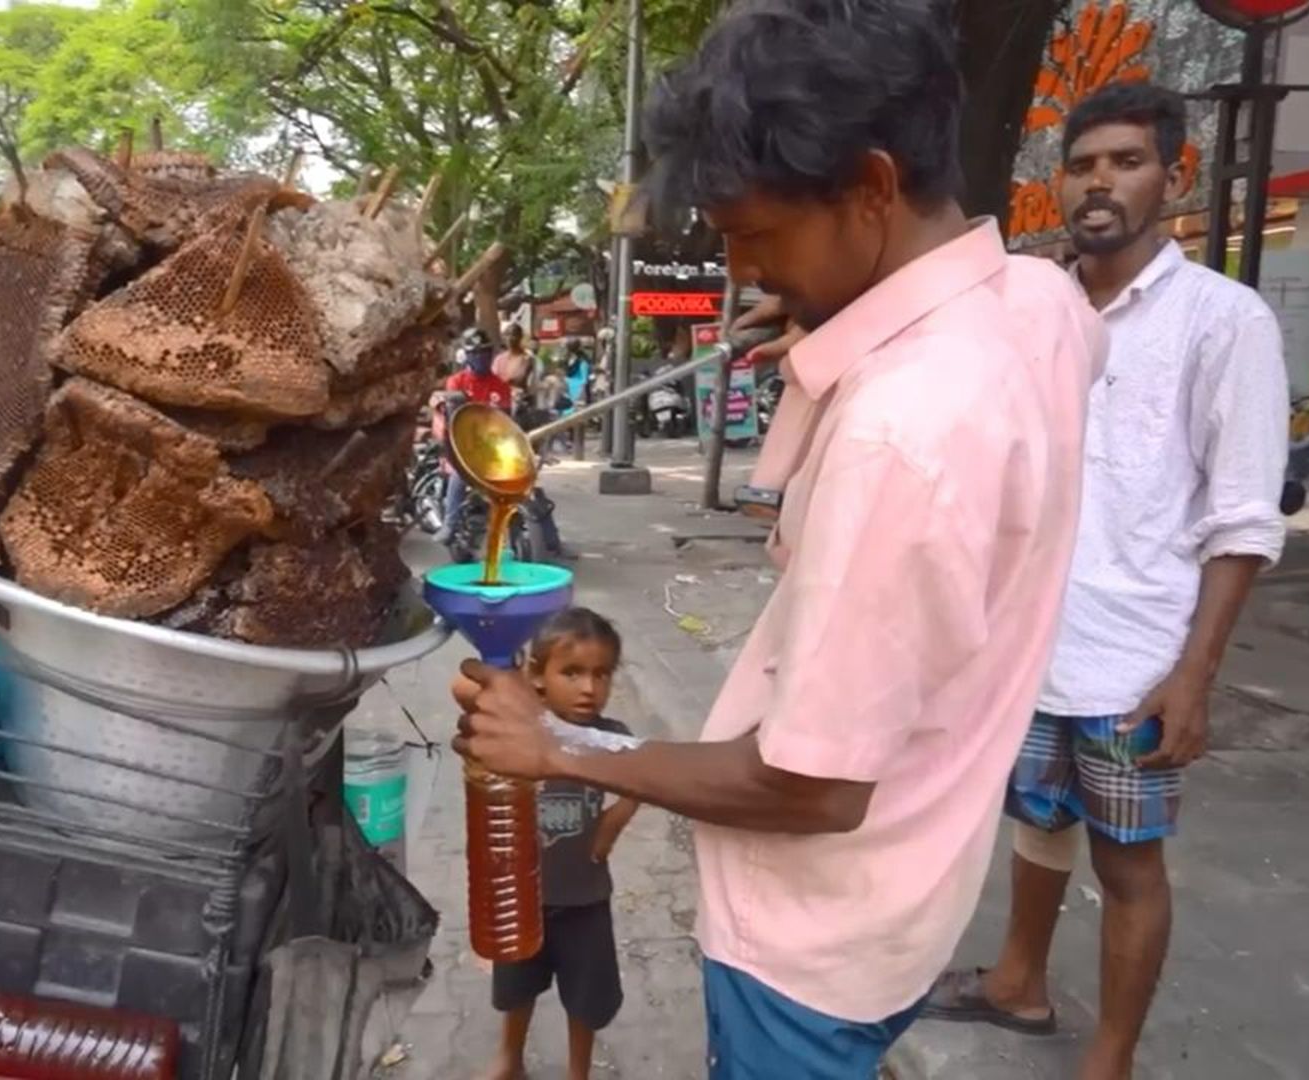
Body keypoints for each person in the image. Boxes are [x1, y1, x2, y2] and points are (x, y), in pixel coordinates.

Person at [450, 1, 1106, 1075]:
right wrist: (832, 324)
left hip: (808, 949)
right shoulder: (1039, 302)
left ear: (873, 189)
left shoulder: (902, 432)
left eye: (756, 237)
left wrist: (562, 748)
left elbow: (812, 787)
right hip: (915, 892)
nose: (741, 272)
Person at [921, 83, 1288, 1080]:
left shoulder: (1224, 320)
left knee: (1128, 864)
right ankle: (1017, 985)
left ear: (1175, 177)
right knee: (1038, 820)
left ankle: (1110, 1060)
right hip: (1031, 643)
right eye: (1083, 164)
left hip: (1138, 659)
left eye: (1125, 161)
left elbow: (1245, 518)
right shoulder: (1031, 310)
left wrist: (1195, 675)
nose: (1099, 182)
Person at [487, 608, 639, 1080]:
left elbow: (642, 777)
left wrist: (613, 822)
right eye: (571, 673)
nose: (588, 688)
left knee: (585, 999)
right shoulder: (523, 732)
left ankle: (579, 1073)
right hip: (523, 896)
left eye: (601, 674)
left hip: (585, 898)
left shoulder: (610, 738)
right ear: (537, 677)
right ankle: (509, 1061)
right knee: (516, 988)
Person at [438, 327, 513, 542]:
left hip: (492, 447)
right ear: (467, 356)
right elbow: (455, 417)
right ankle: (449, 525)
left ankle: (550, 541)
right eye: (476, 353)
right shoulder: (456, 382)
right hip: (462, 445)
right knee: (459, 476)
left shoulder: (501, 386)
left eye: (485, 352)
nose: (481, 357)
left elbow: (507, 420)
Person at [493, 322, 536, 394]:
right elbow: (493, 379)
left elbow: (527, 382)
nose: (510, 338)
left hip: (519, 399)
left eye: (514, 335)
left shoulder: (527, 359)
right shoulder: (499, 359)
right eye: (507, 335)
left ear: (520, 337)